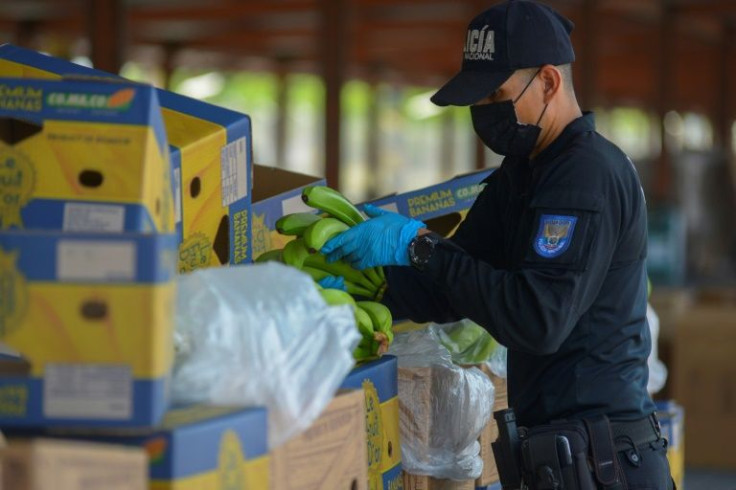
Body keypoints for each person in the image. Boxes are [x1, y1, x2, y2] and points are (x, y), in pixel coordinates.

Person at [321, 0, 675, 488]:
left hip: (603, 462)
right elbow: (453, 283)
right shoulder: (524, 173)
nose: (485, 115)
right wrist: (362, 288)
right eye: (478, 103)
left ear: (549, 82)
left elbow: (537, 319)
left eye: (496, 96)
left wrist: (420, 246)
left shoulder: (585, 176)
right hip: (558, 458)